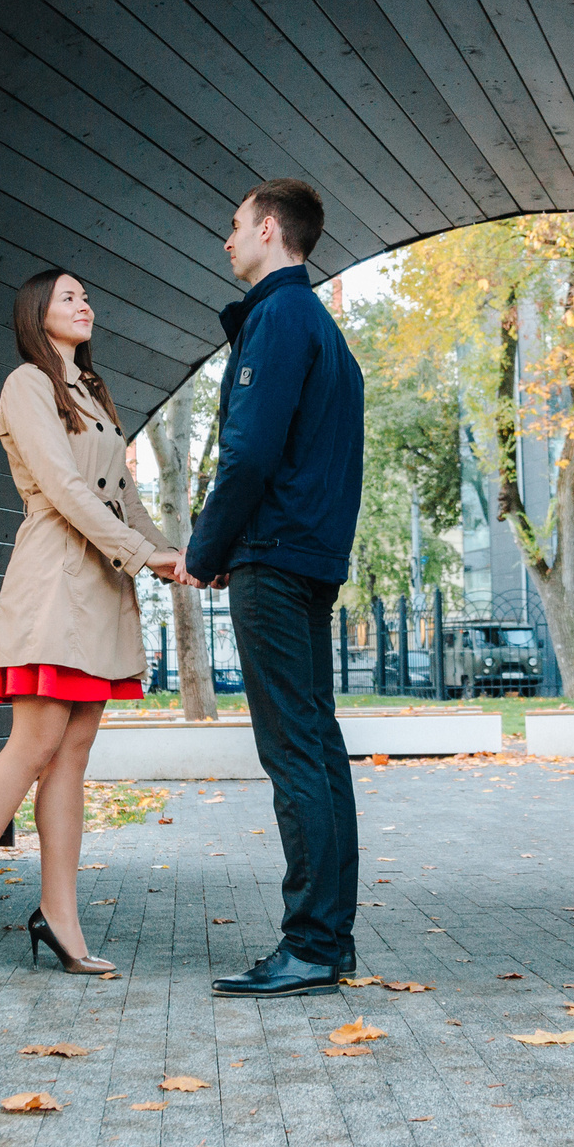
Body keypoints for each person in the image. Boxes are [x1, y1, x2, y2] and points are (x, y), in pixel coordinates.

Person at [0, 270, 184, 975]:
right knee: (35, 743)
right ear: (37, 314)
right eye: (68, 296)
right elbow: (65, 490)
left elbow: (123, 493)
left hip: (101, 582)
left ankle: (61, 921)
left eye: (87, 295)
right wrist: (142, 556)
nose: (85, 303)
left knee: (73, 755)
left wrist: (175, 557)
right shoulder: (26, 384)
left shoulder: (94, 392)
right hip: (55, 577)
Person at [176, 180, 365, 998]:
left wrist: (206, 547)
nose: (226, 242)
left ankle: (312, 945)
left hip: (274, 560)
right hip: (306, 557)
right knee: (317, 746)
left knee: (293, 750)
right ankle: (329, 940)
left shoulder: (279, 318)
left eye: (232, 225)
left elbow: (249, 452)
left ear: (266, 228)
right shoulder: (322, 326)